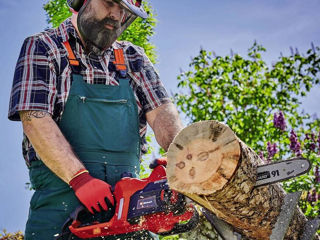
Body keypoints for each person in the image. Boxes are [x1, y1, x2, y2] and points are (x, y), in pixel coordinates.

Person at [8, 0, 183, 239]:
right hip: (59, 213)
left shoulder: (133, 58)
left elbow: (162, 112)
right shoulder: (44, 47)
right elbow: (34, 118)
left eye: (124, 11)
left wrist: (180, 157)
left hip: (129, 217)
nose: (116, 15)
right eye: (110, 3)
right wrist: (79, 178)